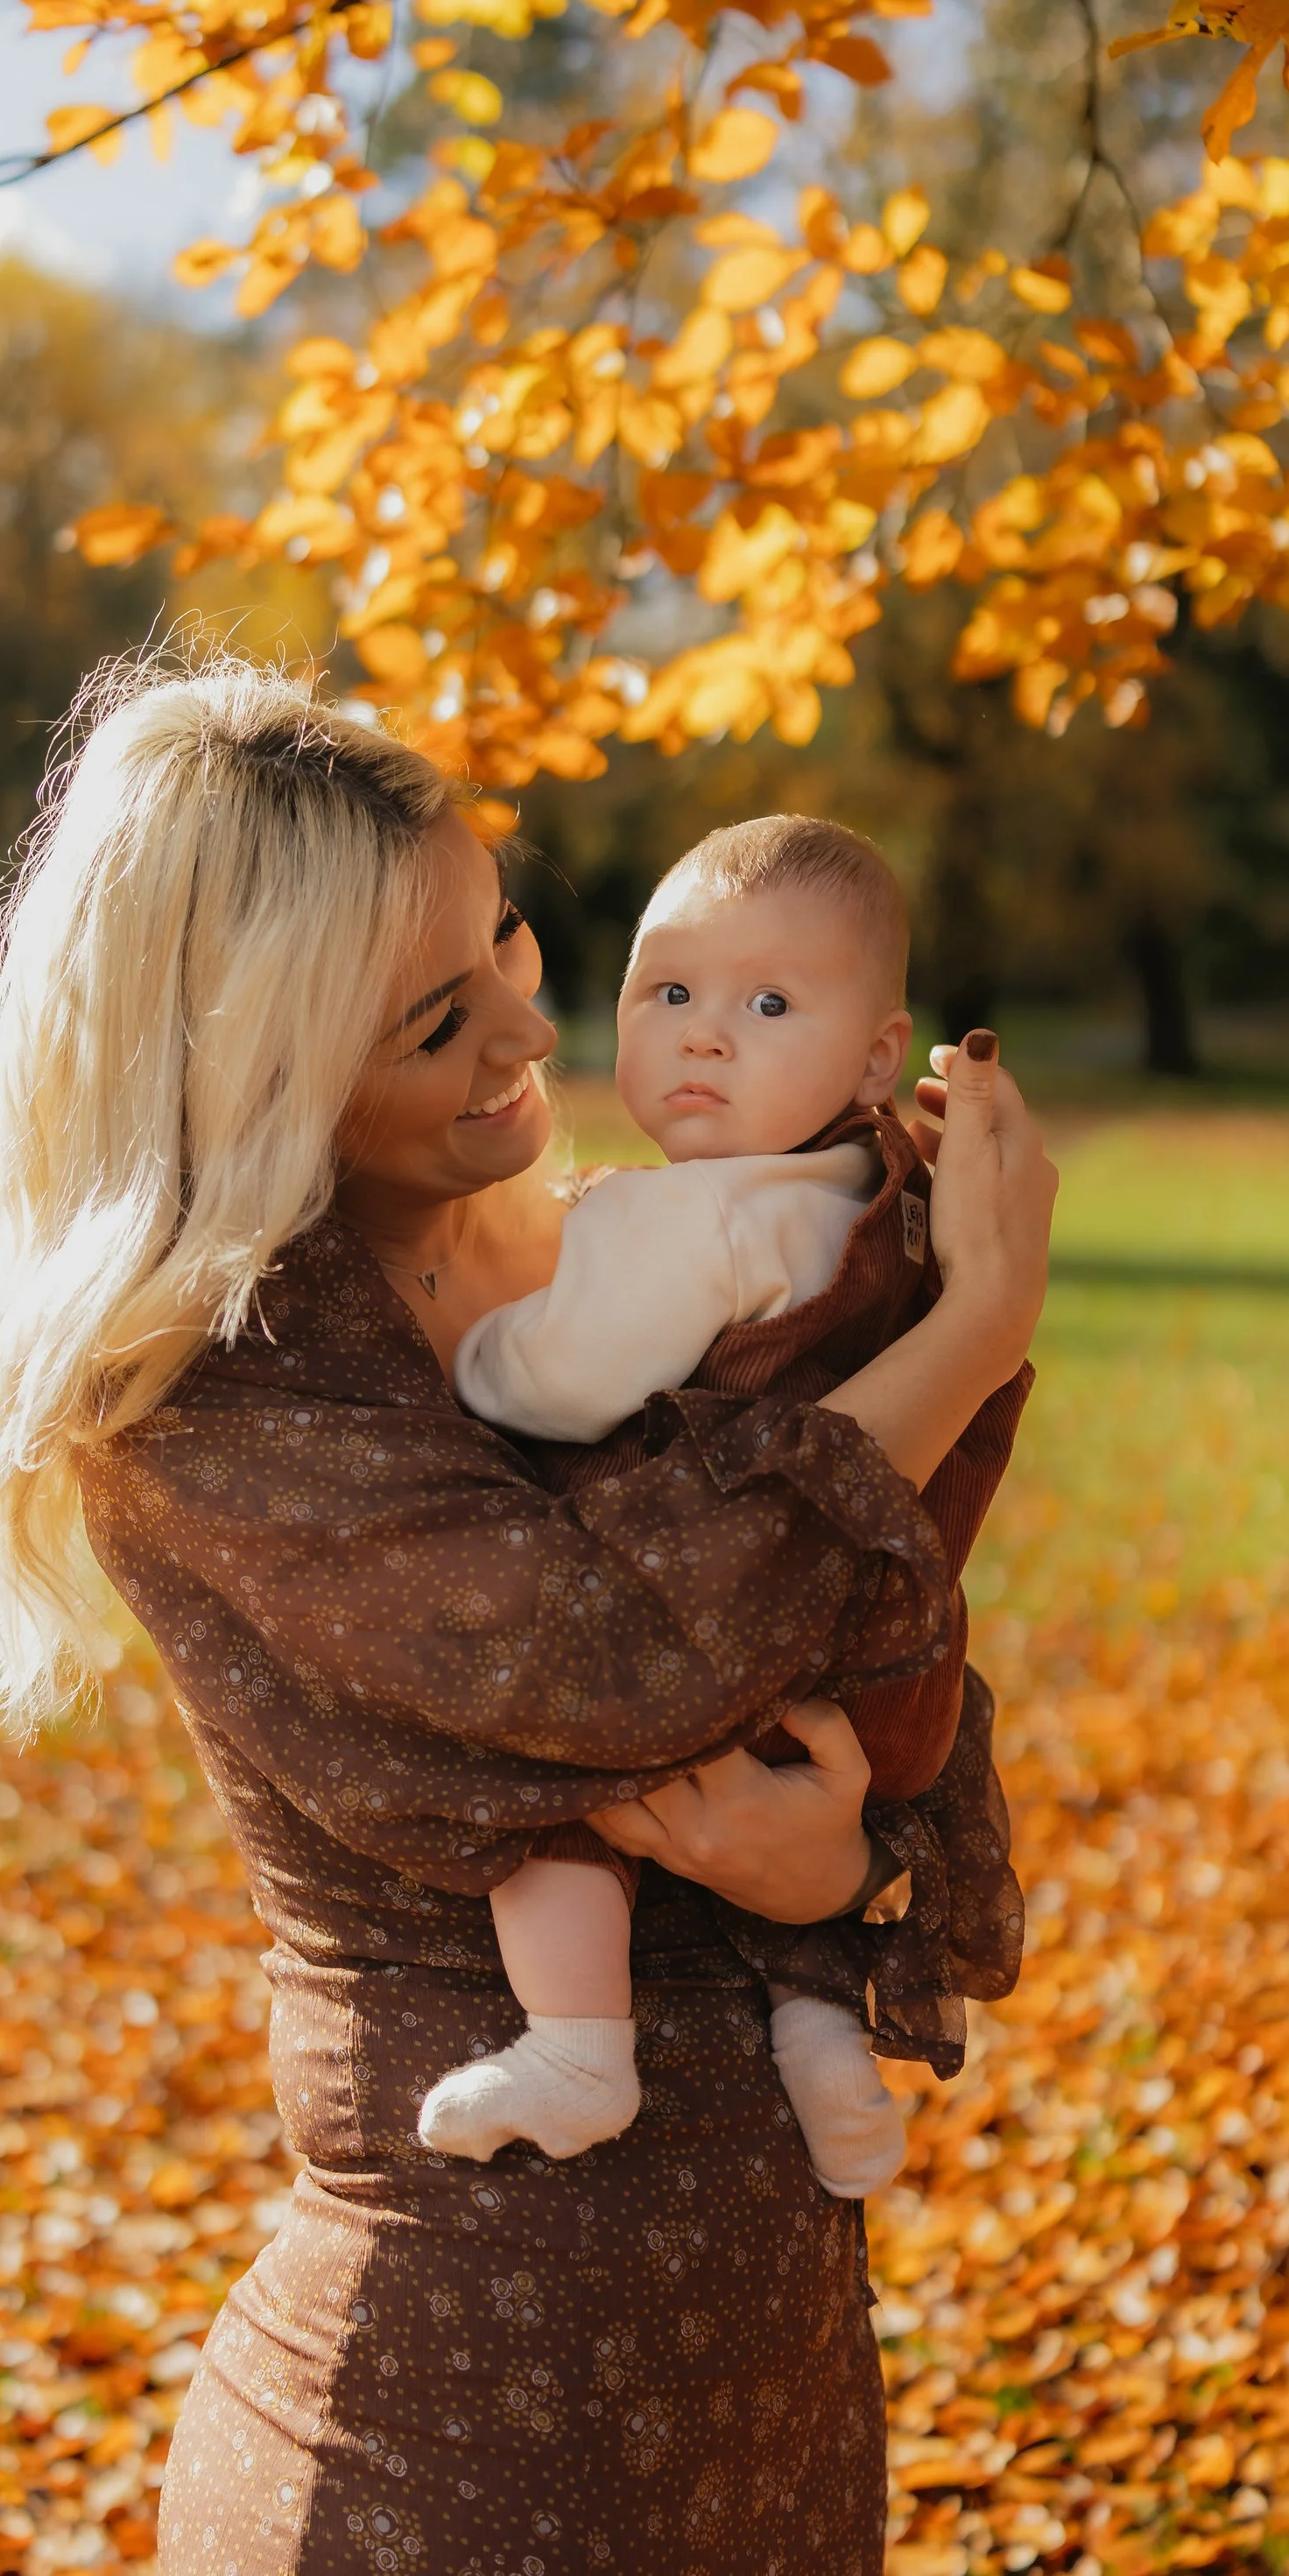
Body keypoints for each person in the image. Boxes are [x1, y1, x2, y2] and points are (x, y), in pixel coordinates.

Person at [0, 659, 1057, 2576]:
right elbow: (628, 1655)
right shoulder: (221, 1408)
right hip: (457, 2495)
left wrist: (845, 1852)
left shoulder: (586, 1258)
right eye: (438, 1020)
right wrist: (965, 1342)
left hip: (747, 2458)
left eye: (513, 949)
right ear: (253, 1073)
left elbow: (855, 1633)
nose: (536, 1038)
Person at [428, 813, 1025, 2192]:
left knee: (559, 1771)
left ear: (880, 1055)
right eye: (671, 992)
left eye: (767, 1004)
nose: (706, 1035)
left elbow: (565, 1380)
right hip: (885, 1659)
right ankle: (823, 2040)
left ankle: (578, 2039)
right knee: (780, 1854)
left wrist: (472, 1355)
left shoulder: (684, 1217)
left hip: (726, 1619)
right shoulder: (876, 1195)